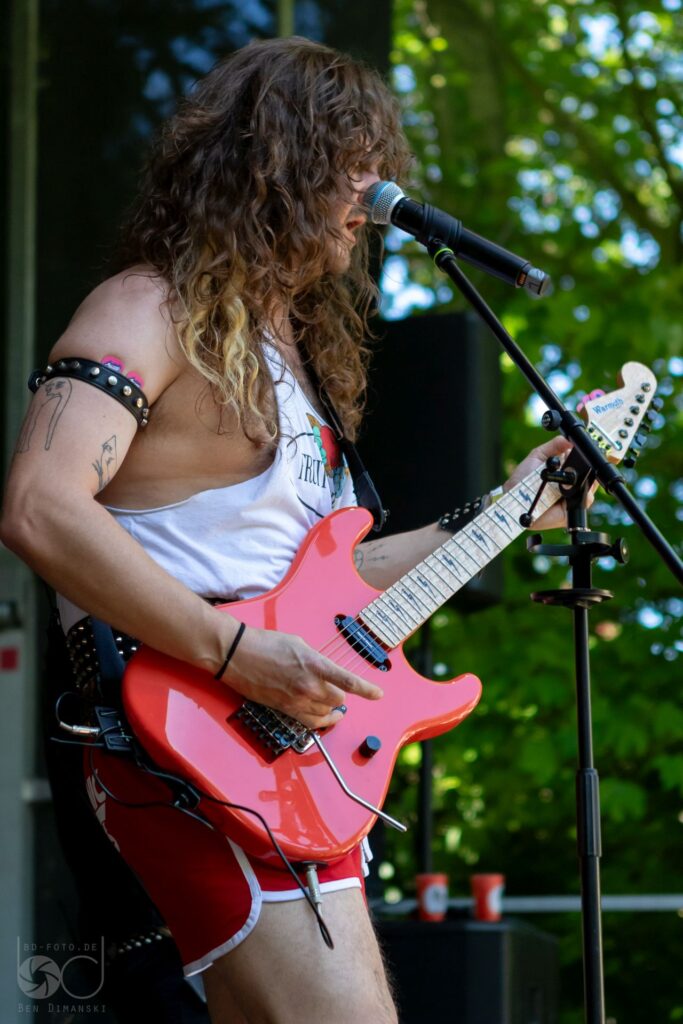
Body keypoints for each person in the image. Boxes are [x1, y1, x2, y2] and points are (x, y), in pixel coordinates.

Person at [1, 36, 576, 1024]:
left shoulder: (290, 353)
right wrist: (235, 655)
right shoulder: (147, 307)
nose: (372, 194)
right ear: (278, 163)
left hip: (274, 761)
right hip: (191, 741)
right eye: (351, 163)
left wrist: (509, 511)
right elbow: (39, 505)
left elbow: (333, 584)